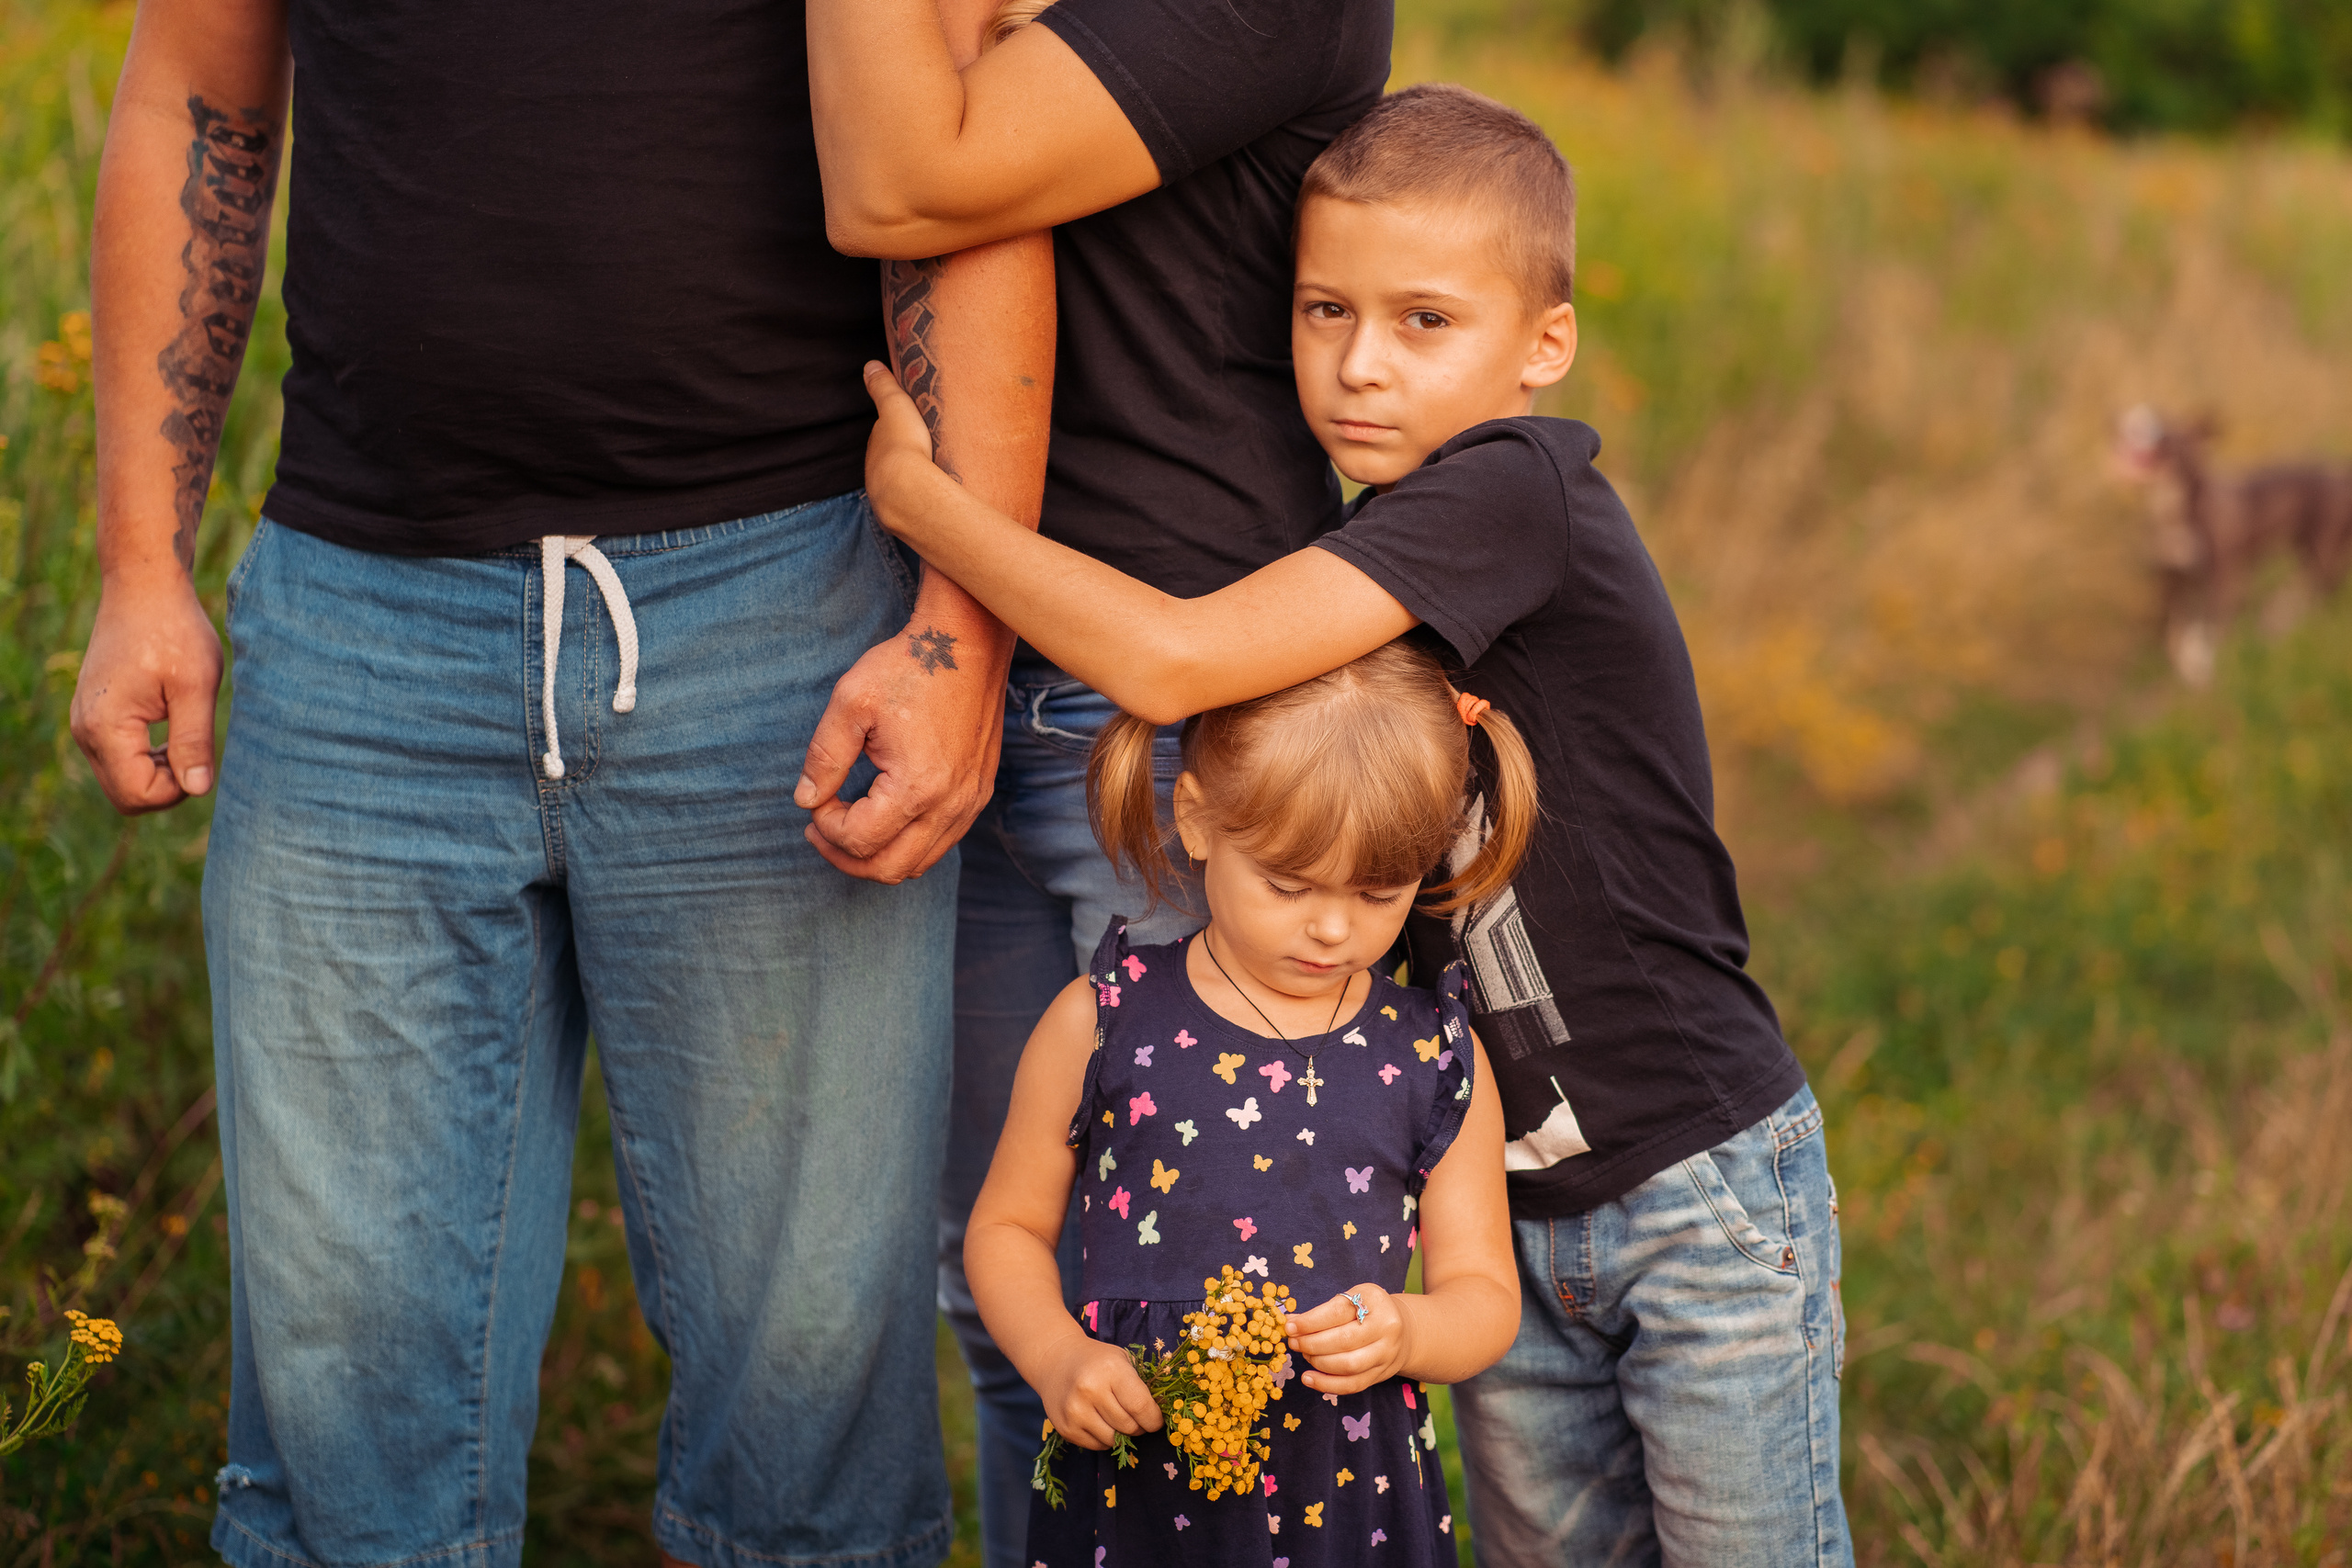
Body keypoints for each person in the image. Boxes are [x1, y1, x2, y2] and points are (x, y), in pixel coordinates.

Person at [68, 0, 1052, 1562]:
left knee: (807, 1430)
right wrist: (139, 568)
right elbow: (195, 88)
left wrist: (962, 630)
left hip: (780, 618)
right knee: (341, 1422)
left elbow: (961, 143)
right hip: (358, 634)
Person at [863, 83, 1853, 1566]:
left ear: (1545, 345)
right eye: (1325, 311)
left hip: (1689, 1177)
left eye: (1422, 323)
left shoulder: (1515, 491)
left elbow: (1173, 661)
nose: (1359, 367)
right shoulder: (1367, 545)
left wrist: (930, 510)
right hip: (1509, 1209)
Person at [802, 2, 1393, 1561]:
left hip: (1171, 727)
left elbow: (903, 177)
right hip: (930, 679)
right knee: (1019, 1304)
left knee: (1231, 1303)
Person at [966, 639, 1526, 1565]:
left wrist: (1410, 1330)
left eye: (1379, 893)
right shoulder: (1103, 1021)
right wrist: (1058, 1358)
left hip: (1347, 1494)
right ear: (1196, 817)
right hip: (1139, 1477)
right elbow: (1007, 1229)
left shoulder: (1433, 1053)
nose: (1331, 927)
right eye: (1288, 884)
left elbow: (1485, 1297)